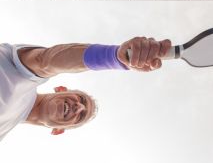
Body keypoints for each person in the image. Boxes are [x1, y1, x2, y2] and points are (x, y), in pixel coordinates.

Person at [0, 36, 170, 141]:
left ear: (59, 130)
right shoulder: (26, 76)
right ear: (60, 88)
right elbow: (46, 61)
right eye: (81, 99)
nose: (78, 107)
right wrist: (114, 57)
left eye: (80, 116)